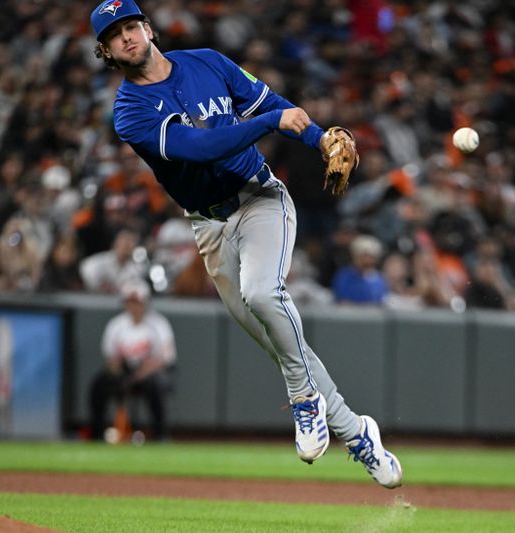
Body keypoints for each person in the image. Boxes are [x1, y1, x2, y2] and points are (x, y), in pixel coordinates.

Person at [89, 0, 401, 488]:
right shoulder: (129, 111)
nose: (127, 37)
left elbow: (275, 106)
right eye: (115, 35)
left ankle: (303, 402)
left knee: (262, 294)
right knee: (282, 342)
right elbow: (203, 147)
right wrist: (269, 125)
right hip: (208, 226)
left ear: (148, 28)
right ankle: (358, 433)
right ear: (106, 51)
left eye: (131, 25)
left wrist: (319, 138)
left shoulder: (207, 62)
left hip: (259, 200)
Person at [89, 280, 176, 441]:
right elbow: (111, 358)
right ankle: (97, 433)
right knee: (99, 383)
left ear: (145, 303)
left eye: (137, 302)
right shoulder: (117, 325)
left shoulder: (158, 324)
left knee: (157, 384)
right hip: (125, 370)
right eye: (130, 302)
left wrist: (139, 375)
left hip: (149, 372)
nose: (134, 307)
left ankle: (161, 435)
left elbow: (165, 359)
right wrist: (120, 374)